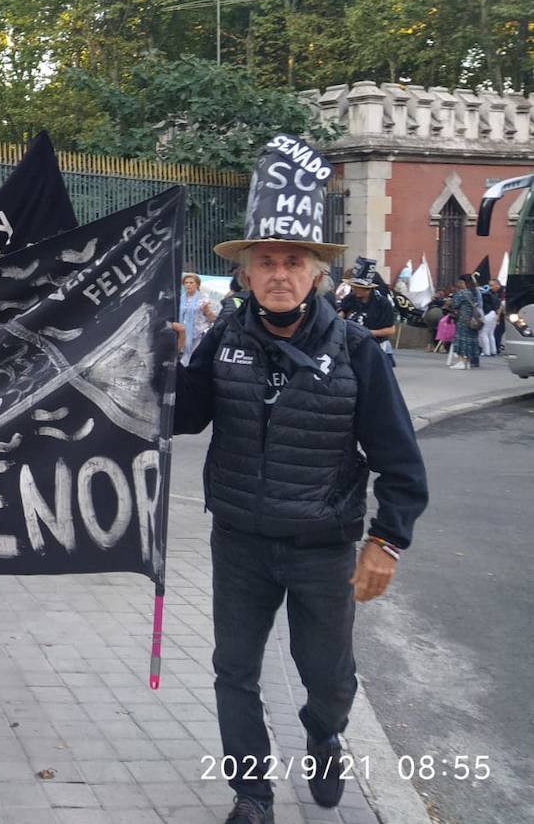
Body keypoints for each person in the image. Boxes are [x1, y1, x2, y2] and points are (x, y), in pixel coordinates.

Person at [169, 138, 427, 824]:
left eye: (292, 261)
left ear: (315, 273)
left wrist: (387, 541)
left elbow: (401, 461)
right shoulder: (224, 339)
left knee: (328, 677)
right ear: (247, 274)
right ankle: (251, 794)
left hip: (323, 546)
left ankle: (323, 730)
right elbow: (183, 418)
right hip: (241, 541)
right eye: (265, 262)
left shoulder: (358, 353)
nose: (278, 273)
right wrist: (157, 365)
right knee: (234, 670)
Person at [335, 259, 397, 363]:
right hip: (351, 346)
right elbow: (341, 314)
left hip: (376, 346)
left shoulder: (382, 303)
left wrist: (367, 333)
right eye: (353, 286)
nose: (353, 289)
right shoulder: (350, 299)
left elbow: (390, 330)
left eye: (357, 287)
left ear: (367, 288)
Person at [178, 273, 217, 365]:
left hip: (198, 333)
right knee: (182, 357)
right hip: (183, 333)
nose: (188, 285)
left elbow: (212, 318)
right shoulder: (179, 298)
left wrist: (206, 310)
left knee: (195, 357)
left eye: (191, 282)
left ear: (197, 284)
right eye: (186, 283)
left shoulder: (204, 299)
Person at [448, 277, 481, 369]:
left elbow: (454, 304)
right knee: (470, 340)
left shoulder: (461, 293)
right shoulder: (473, 292)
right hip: (473, 319)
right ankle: (468, 362)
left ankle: (461, 362)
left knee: (461, 340)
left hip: (463, 319)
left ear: (463, 282)